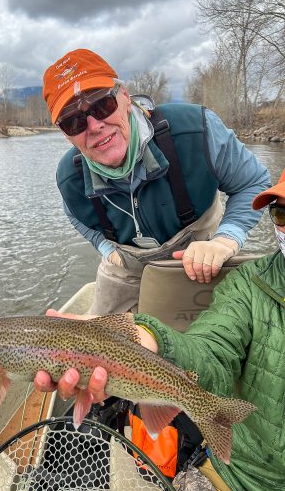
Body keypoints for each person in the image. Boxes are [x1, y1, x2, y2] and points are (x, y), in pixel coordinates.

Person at [35, 169, 285, 490]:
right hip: (243, 476)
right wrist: (146, 339)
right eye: (280, 212)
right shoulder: (248, 285)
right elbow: (210, 351)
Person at [42, 48, 270, 314]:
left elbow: (253, 183)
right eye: (74, 122)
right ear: (65, 134)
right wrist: (105, 247)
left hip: (204, 259)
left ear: (125, 97)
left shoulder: (196, 129)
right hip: (126, 269)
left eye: (102, 105)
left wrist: (226, 239)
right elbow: (76, 218)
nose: (94, 126)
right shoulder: (69, 177)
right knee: (96, 343)